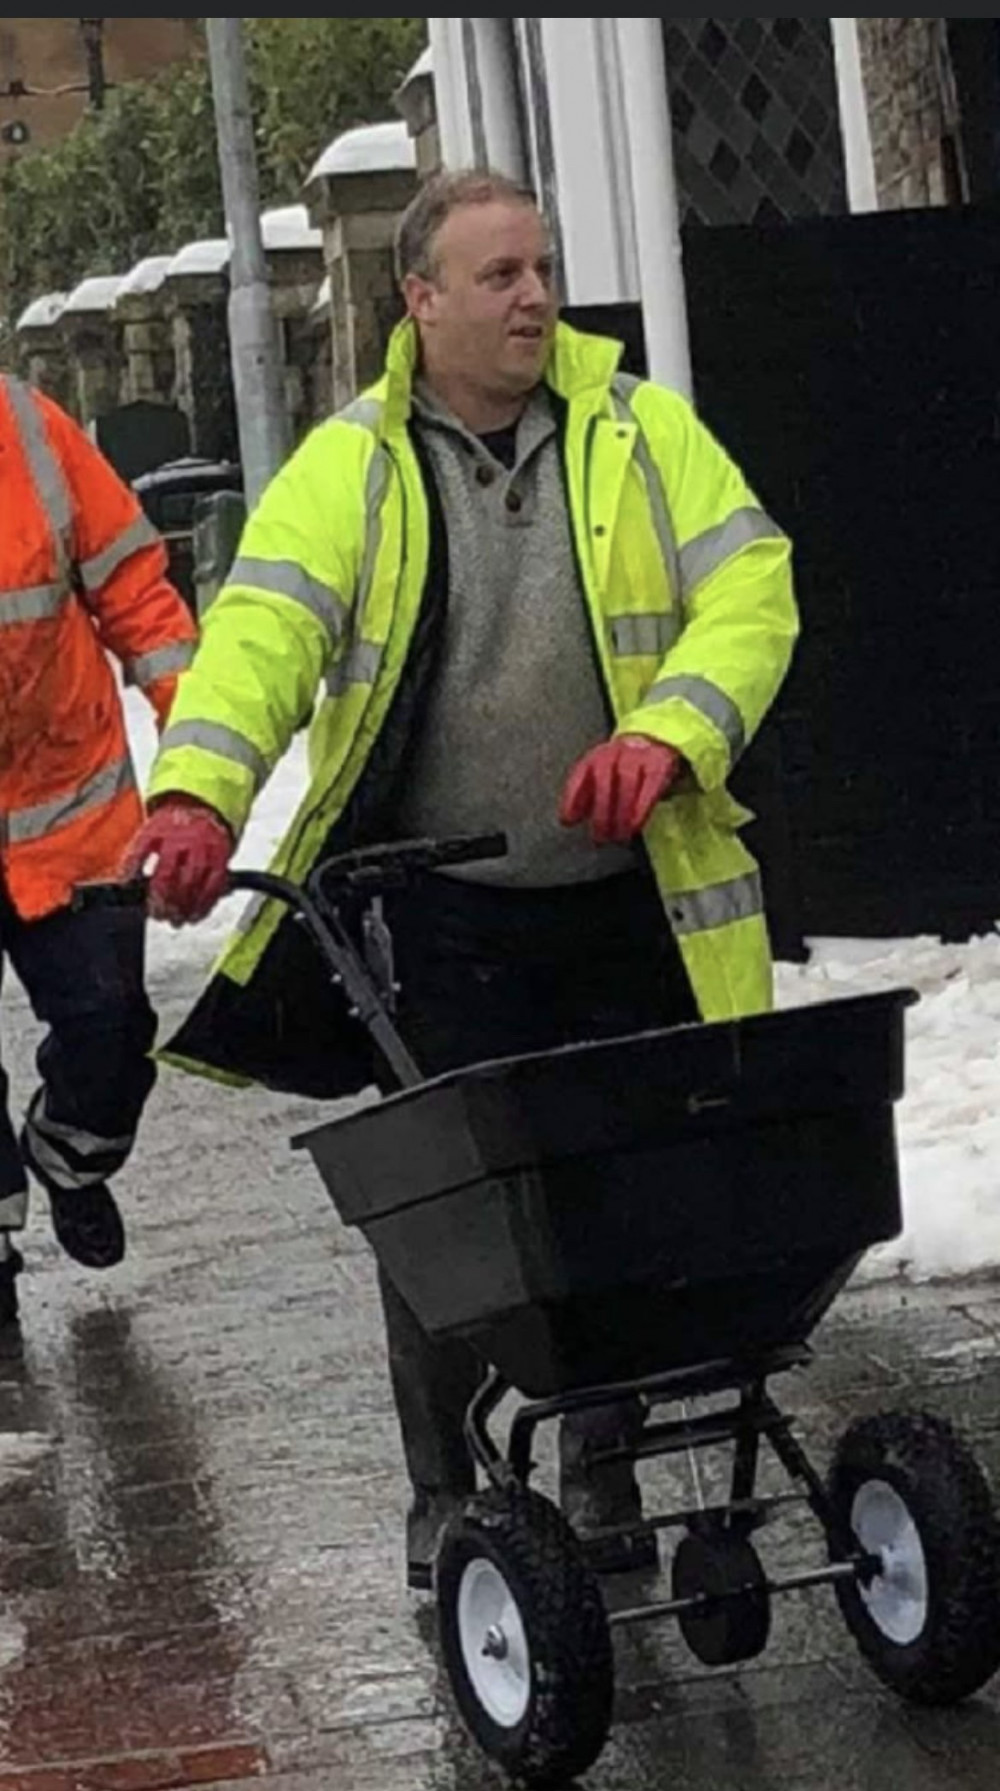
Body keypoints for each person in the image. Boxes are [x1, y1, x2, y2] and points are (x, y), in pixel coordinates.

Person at [124, 169, 798, 1588]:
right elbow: (258, 640)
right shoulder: (352, 470)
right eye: (498, 276)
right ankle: (449, 1492)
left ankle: (600, 1473)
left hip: (628, 892)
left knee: (610, 1186)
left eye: (541, 268)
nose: (535, 298)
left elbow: (751, 586)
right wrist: (195, 789)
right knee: (455, 1214)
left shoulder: (638, 433)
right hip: (437, 914)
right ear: (417, 299)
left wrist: (669, 729)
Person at [0, 375, 197, 1323]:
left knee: (112, 1028)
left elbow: (136, 593)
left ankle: (72, 1154)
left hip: (67, 810)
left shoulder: (28, 432)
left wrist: (200, 752)